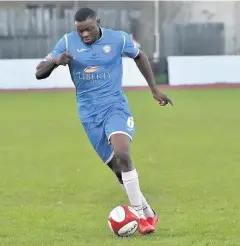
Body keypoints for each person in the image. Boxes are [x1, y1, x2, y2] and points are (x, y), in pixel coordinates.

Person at [35, 7, 173, 235]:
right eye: (80, 31)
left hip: (115, 106)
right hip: (89, 115)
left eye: (88, 29)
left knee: (123, 153)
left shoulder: (118, 39)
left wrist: (154, 90)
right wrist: (56, 61)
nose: (84, 35)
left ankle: (139, 216)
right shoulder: (68, 43)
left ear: (97, 22)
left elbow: (140, 56)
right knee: (118, 169)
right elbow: (39, 72)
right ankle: (148, 212)